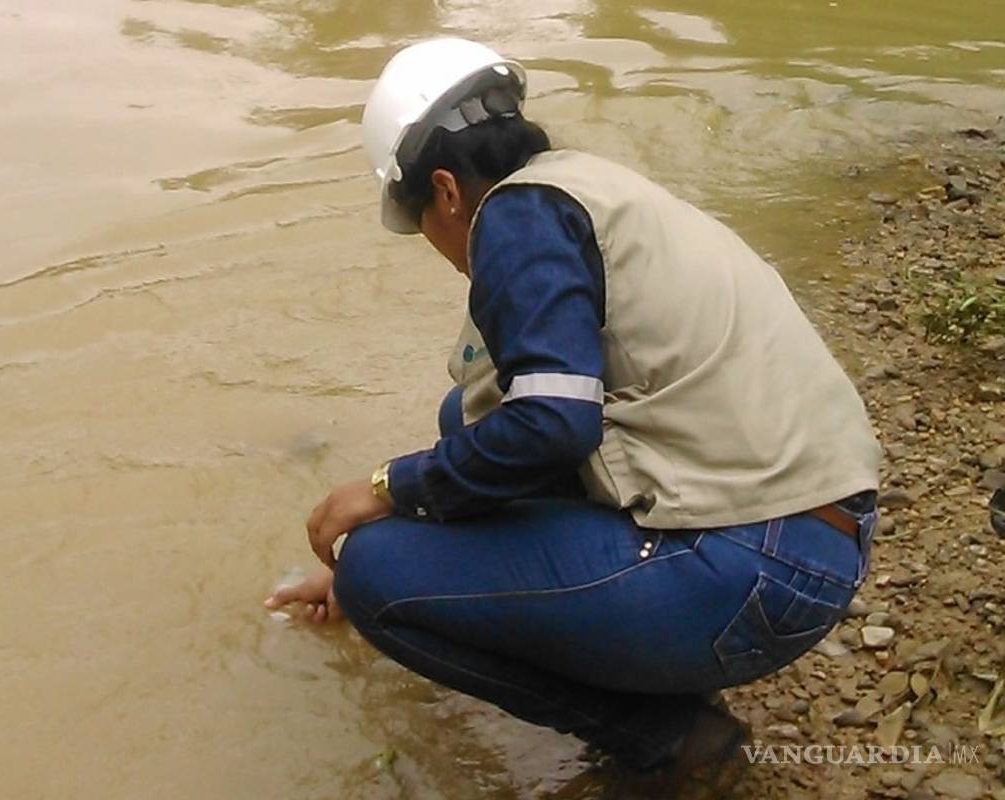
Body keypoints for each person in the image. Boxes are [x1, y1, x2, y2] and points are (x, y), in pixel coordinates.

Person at [265, 37, 880, 797]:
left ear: (446, 192)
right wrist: (425, 544)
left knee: (375, 576)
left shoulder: (512, 219)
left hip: (755, 575)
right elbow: (518, 424)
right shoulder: (586, 188)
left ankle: (668, 738)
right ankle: (663, 669)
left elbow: (554, 423)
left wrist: (384, 497)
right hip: (820, 538)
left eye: (421, 222)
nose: (441, 250)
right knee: (465, 419)